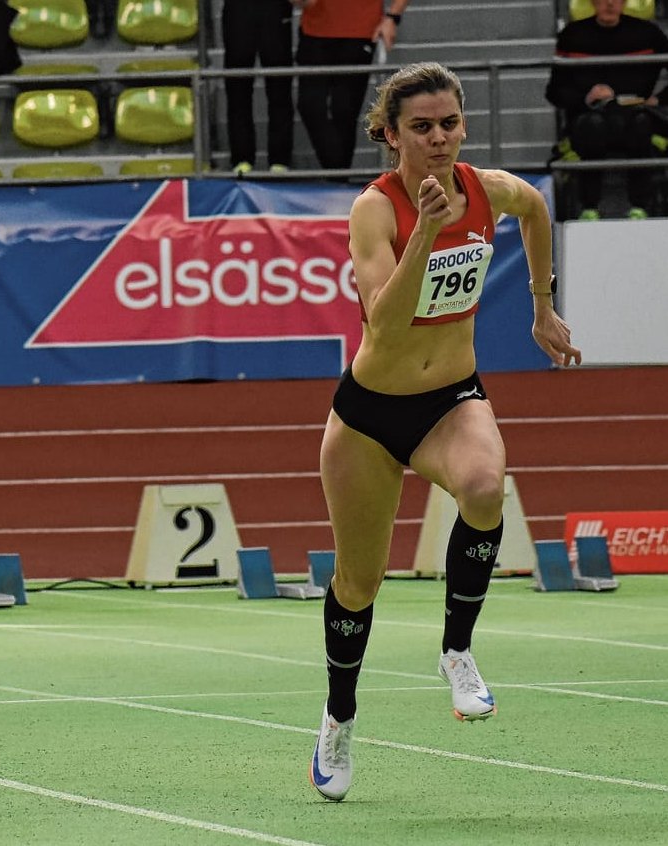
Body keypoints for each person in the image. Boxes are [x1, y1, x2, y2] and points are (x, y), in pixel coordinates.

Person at [310, 62, 581, 802]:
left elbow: (534, 208)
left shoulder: (486, 189)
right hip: (369, 415)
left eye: (449, 124)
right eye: (421, 127)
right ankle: (338, 717)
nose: (438, 138)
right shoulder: (374, 210)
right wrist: (425, 232)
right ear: (390, 134)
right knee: (357, 582)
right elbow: (383, 323)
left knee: (485, 487)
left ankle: (456, 650)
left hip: (450, 400)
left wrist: (541, 306)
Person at [545, 0, 668, 220]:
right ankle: (589, 208)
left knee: (641, 123)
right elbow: (554, 91)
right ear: (592, 2)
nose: (610, 3)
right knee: (593, 126)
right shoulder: (572, 35)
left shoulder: (648, 34)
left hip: (634, 114)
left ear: (624, 2)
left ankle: (640, 208)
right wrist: (586, 98)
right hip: (588, 116)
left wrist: (658, 99)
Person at [296, 0, 410, 170]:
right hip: (315, 28)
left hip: (360, 30)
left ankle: (337, 177)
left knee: (344, 110)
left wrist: (392, 17)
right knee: (310, 105)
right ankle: (338, 175)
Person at [222, 0, 295, 173]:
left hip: (275, 9)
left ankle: (280, 160)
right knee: (237, 87)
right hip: (238, 10)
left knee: (280, 87)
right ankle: (241, 158)